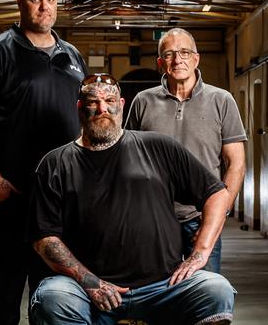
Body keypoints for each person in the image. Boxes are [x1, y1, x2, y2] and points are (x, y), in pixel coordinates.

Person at [29, 74, 236, 325]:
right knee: (52, 296)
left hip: (163, 287)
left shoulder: (158, 147)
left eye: (109, 100)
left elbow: (217, 193)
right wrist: (89, 281)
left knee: (216, 289)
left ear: (122, 104)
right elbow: (44, 239)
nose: (102, 108)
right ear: (80, 107)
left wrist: (200, 253)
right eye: (93, 101)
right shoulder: (55, 163)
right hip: (86, 289)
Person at [0, 0, 87, 325]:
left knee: (55, 292)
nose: (44, 8)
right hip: (12, 194)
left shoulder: (72, 55)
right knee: (3, 290)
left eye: (51, 0)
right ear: (20, 2)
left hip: (60, 196)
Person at [126, 28, 246, 273]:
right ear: (161, 63)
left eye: (184, 52)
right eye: (169, 54)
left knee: (204, 296)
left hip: (201, 218)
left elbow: (236, 164)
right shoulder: (142, 101)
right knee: (155, 296)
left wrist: (218, 214)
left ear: (196, 58)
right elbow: (128, 161)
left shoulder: (221, 101)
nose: (177, 59)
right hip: (153, 219)